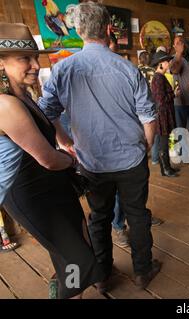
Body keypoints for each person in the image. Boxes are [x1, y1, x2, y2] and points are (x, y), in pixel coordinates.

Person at [38, 2, 161, 291]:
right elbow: (149, 117)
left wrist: (64, 141)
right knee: (138, 215)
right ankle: (143, 271)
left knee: (99, 217)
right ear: (109, 29)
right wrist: (145, 147)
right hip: (131, 160)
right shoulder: (128, 69)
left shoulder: (63, 69)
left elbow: (47, 112)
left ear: (79, 31)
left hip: (91, 163)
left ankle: (103, 275)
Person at [0, 22, 105, 298]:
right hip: (32, 193)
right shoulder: (5, 104)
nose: (35, 65)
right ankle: (67, 291)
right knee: (77, 259)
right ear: (1, 65)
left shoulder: (24, 95)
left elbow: (47, 136)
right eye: (25, 58)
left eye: (35, 57)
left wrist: (65, 144)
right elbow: (47, 159)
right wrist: (73, 162)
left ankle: (65, 284)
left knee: (76, 244)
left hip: (52, 184)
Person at [170, 36, 189, 161]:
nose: (179, 44)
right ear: (174, 46)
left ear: (185, 44)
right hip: (180, 101)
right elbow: (174, 70)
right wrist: (178, 53)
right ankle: (183, 154)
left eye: (181, 42)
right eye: (176, 43)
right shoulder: (174, 59)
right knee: (181, 129)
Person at [151, 51, 180, 177]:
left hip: (165, 113)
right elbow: (160, 100)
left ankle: (166, 167)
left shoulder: (160, 77)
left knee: (166, 141)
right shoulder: (158, 78)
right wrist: (174, 94)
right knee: (163, 143)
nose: (169, 63)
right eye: (167, 61)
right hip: (163, 115)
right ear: (160, 64)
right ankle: (166, 169)